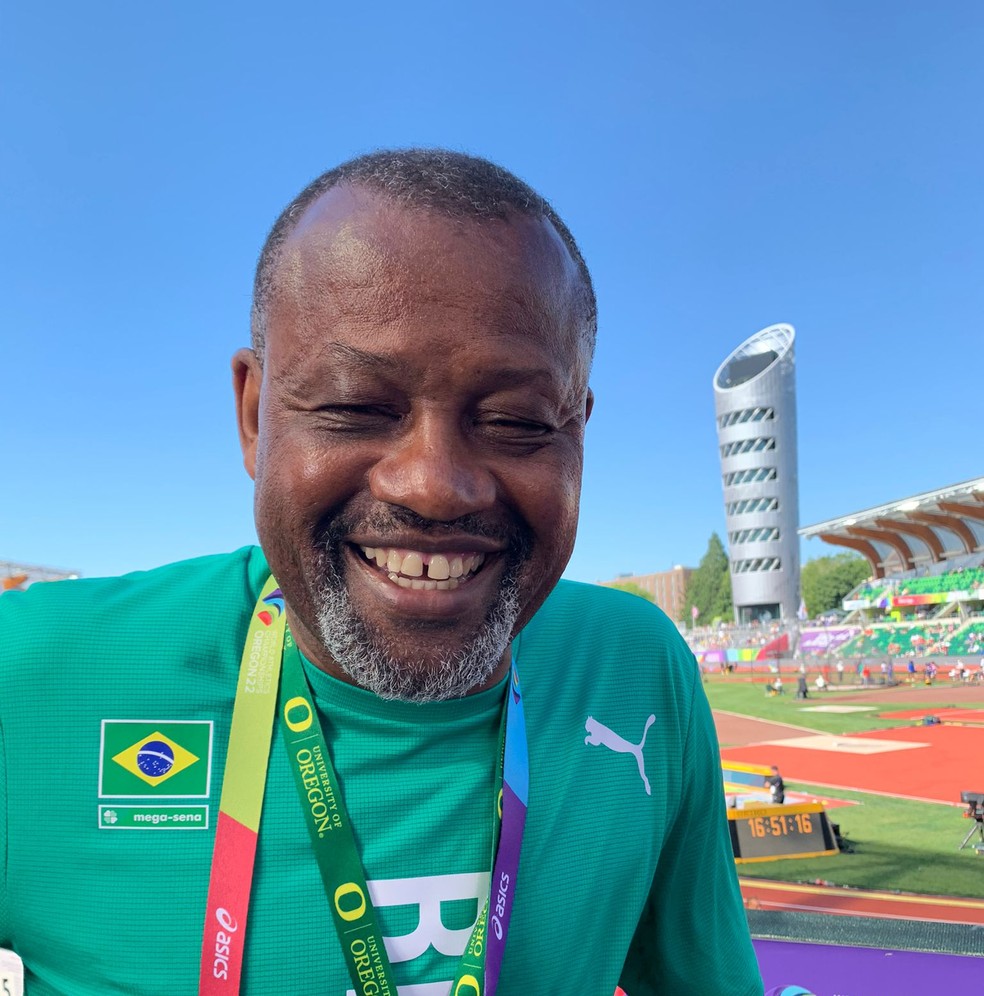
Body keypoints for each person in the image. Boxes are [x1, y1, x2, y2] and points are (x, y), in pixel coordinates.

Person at [0, 150, 762, 995]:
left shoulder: (635, 667)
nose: (434, 485)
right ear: (255, 417)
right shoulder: (29, 678)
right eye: (355, 408)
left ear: (578, 429)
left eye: (515, 421)